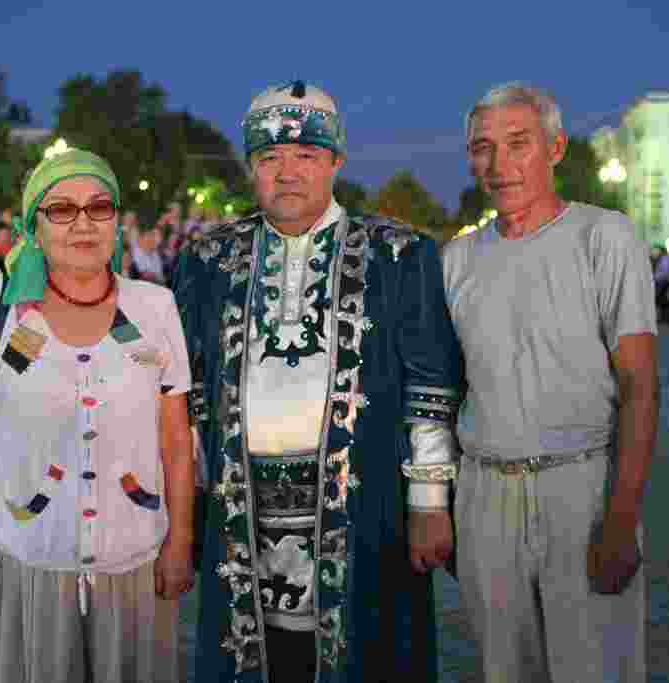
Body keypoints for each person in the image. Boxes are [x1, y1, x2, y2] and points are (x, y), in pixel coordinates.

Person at [171, 81, 461, 683]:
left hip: (365, 508)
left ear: (335, 162)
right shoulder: (206, 260)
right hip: (239, 512)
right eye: (269, 158)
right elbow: (186, 396)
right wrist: (184, 515)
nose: (288, 173)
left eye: (305, 155)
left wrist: (430, 500)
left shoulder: (400, 255)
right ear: (251, 167)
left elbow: (430, 389)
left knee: (364, 660)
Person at [0, 149, 195, 682]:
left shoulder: (154, 306)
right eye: (62, 209)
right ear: (33, 224)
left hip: (136, 562)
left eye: (99, 207)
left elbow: (174, 439)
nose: (82, 223)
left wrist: (181, 541)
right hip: (26, 561)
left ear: (116, 220)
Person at [442, 82, 658, 682]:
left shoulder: (604, 238)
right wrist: (445, 509)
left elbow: (640, 385)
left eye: (518, 144)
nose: (499, 164)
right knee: (502, 669)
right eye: (482, 148)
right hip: (485, 493)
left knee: (594, 668)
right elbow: (446, 393)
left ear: (556, 147)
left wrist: (621, 515)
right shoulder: (455, 261)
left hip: (581, 487)